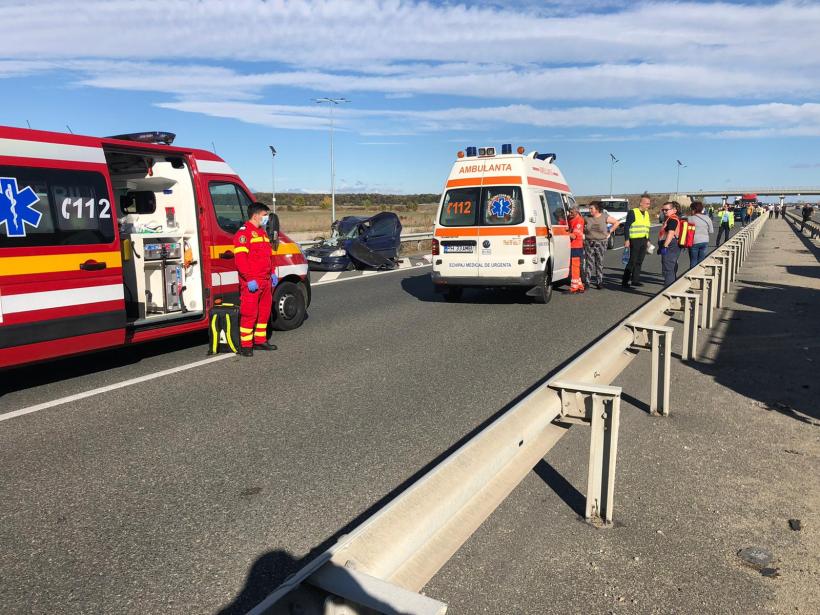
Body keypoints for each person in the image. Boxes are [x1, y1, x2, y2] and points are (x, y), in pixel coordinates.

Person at [233, 201, 278, 357]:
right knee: (249, 313)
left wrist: (272, 273)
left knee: (264, 311)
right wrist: (249, 278)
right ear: (256, 215)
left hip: (265, 280)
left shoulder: (262, 233)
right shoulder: (243, 234)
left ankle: (260, 340)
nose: (267, 218)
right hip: (252, 281)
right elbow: (241, 260)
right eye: (265, 215)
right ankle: (246, 345)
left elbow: (267, 256)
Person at [583, 201, 621, 289]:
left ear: (597, 209)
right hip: (589, 242)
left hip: (601, 242)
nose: (590, 210)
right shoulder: (586, 218)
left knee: (599, 262)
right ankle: (587, 282)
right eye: (589, 208)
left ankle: (599, 282)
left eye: (591, 208)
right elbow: (580, 226)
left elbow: (616, 223)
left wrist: (609, 231)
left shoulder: (604, 217)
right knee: (589, 263)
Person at [622, 194, 652, 288]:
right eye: (647, 203)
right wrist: (627, 239)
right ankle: (625, 281)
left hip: (643, 239)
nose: (648, 205)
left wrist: (648, 240)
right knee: (632, 261)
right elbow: (626, 226)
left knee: (639, 261)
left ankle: (635, 280)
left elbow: (646, 227)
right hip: (634, 240)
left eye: (649, 203)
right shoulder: (633, 212)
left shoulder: (646, 214)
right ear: (641, 203)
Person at [658, 201, 682, 287]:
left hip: (671, 245)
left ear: (674, 210)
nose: (664, 211)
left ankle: (668, 289)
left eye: (666, 210)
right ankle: (671, 286)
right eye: (663, 210)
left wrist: (665, 246)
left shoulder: (672, 219)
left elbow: (671, 233)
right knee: (670, 266)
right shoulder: (669, 218)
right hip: (671, 245)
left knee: (668, 268)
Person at [687, 202, 713, 269]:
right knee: (701, 261)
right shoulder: (707, 218)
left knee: (693, 260)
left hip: (694, 242)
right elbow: (711, 231)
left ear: (693, 209)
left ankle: (692, 276)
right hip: (705, 241)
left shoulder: (690, 219)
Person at [567, 205, 585, 293]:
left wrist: (563, 232)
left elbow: (574, 236)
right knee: (576, 267)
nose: (570, 214)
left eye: (571, 212)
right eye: (569, 212)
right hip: (574, 246)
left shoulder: (579, 220)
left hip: (576, 246)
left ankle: (574, 287)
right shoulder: (572, 219)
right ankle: (580, 286)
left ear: (577, 211)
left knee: (575, 267)